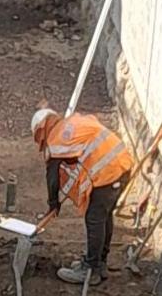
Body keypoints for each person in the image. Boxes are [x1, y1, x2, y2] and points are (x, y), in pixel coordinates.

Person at [31, 103, 137, 284]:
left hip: (108, 172)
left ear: (42, 129)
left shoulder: (57, 138)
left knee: (94, 218)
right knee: (104, 215)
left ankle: (91, 270)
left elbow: (52, 175)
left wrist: (53, 204)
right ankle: (99, 262)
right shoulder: (74, 123)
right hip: (122, 165)